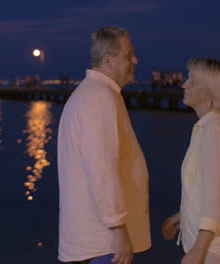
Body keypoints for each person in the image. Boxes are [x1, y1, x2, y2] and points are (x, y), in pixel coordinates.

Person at [57, 26, 151, 264]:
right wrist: (118, 229)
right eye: (128, 55)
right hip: (103, 244)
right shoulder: (100, 98)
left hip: (93, 241)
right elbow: (102, 169)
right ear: (108, 60)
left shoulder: (92, 94)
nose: (135, 60)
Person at [162, 58, 220, 264]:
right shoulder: (210, 127)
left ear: (209, 90)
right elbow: (209, 188)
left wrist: (198, 251)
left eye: (192, 81)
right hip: (213, 247)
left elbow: (215, 196)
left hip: (214, 250)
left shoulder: (213, 132)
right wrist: (180, 216)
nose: (184, 85)